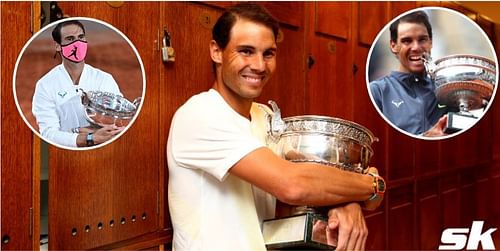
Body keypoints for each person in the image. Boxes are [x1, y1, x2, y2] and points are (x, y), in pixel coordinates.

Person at [167, 3, 385, 251]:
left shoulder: (266, 116)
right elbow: (293, 185)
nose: (259, 65)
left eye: (268, 53)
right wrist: (369, 185)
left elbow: (318, 180)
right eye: (246, 51)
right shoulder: (200, 115)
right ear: (216, 51)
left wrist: (346, 203)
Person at [32, 20, 123, 147]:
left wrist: (74, 133)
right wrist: (90, 138)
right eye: (70, 39)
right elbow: (48, 133)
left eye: (81, 37)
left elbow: (118, 124)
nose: (77, 43)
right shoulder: (45, 85)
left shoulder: (104, 79)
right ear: (58, 46)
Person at [369, 11, 454, 137]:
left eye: (422, 40)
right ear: (393, 46)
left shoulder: (447, 89)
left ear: (431, 42)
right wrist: (425, 137)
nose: (416, 47)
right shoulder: (377, 91)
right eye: (407, 41)